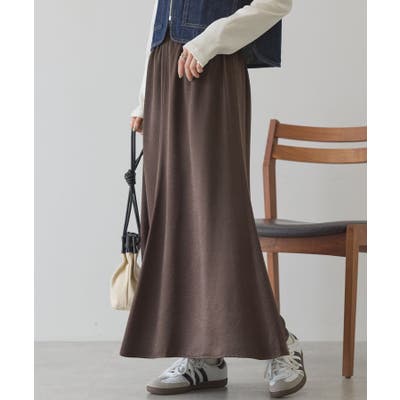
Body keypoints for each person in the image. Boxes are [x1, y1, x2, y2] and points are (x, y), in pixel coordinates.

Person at [120, 0, 306, 397]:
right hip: (164, 77)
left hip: (211, 69)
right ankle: (202, 355)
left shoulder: (210, 49)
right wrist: (143, 97)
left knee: (218, 216)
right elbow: (162, 18)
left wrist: (209, 42)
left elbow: (275, 3)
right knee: (173, 215)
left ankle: (281, 342)